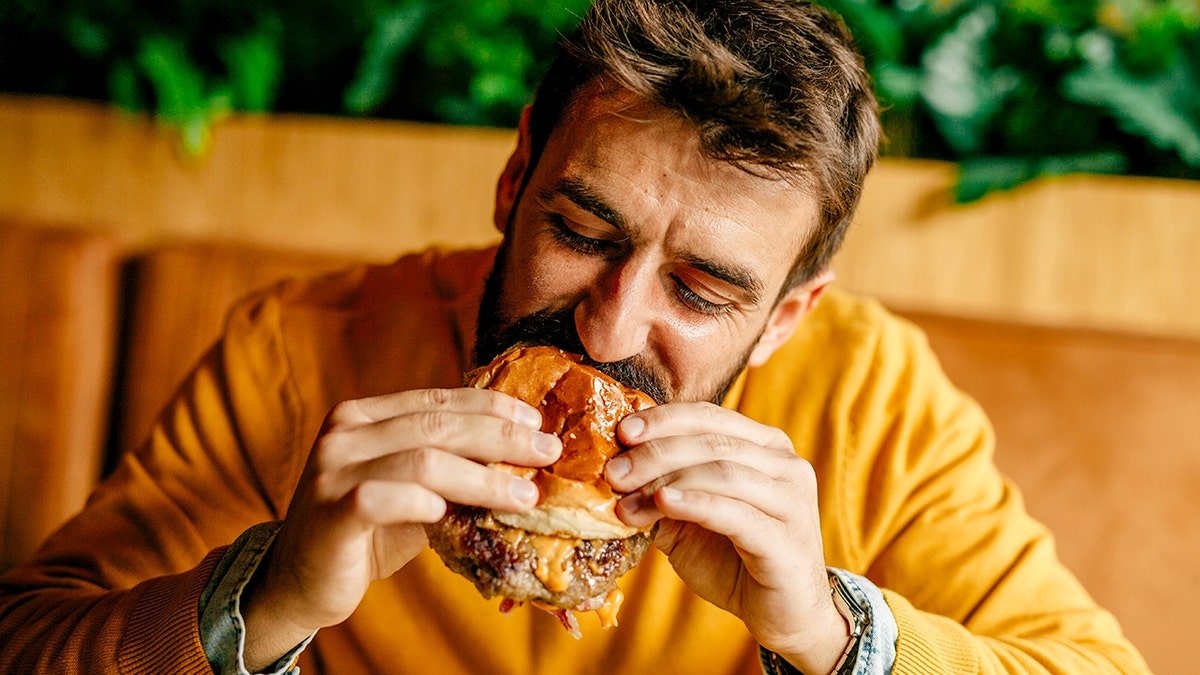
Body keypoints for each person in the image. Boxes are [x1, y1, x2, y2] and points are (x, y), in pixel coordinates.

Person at [0, 1, 1148, 673]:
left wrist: (836, 631)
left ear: (789, 314)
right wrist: (269, 592)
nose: (610, 323)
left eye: (703, 291)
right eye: (583, 230)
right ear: (514, 182)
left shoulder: (873, 395)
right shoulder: (302, 350)